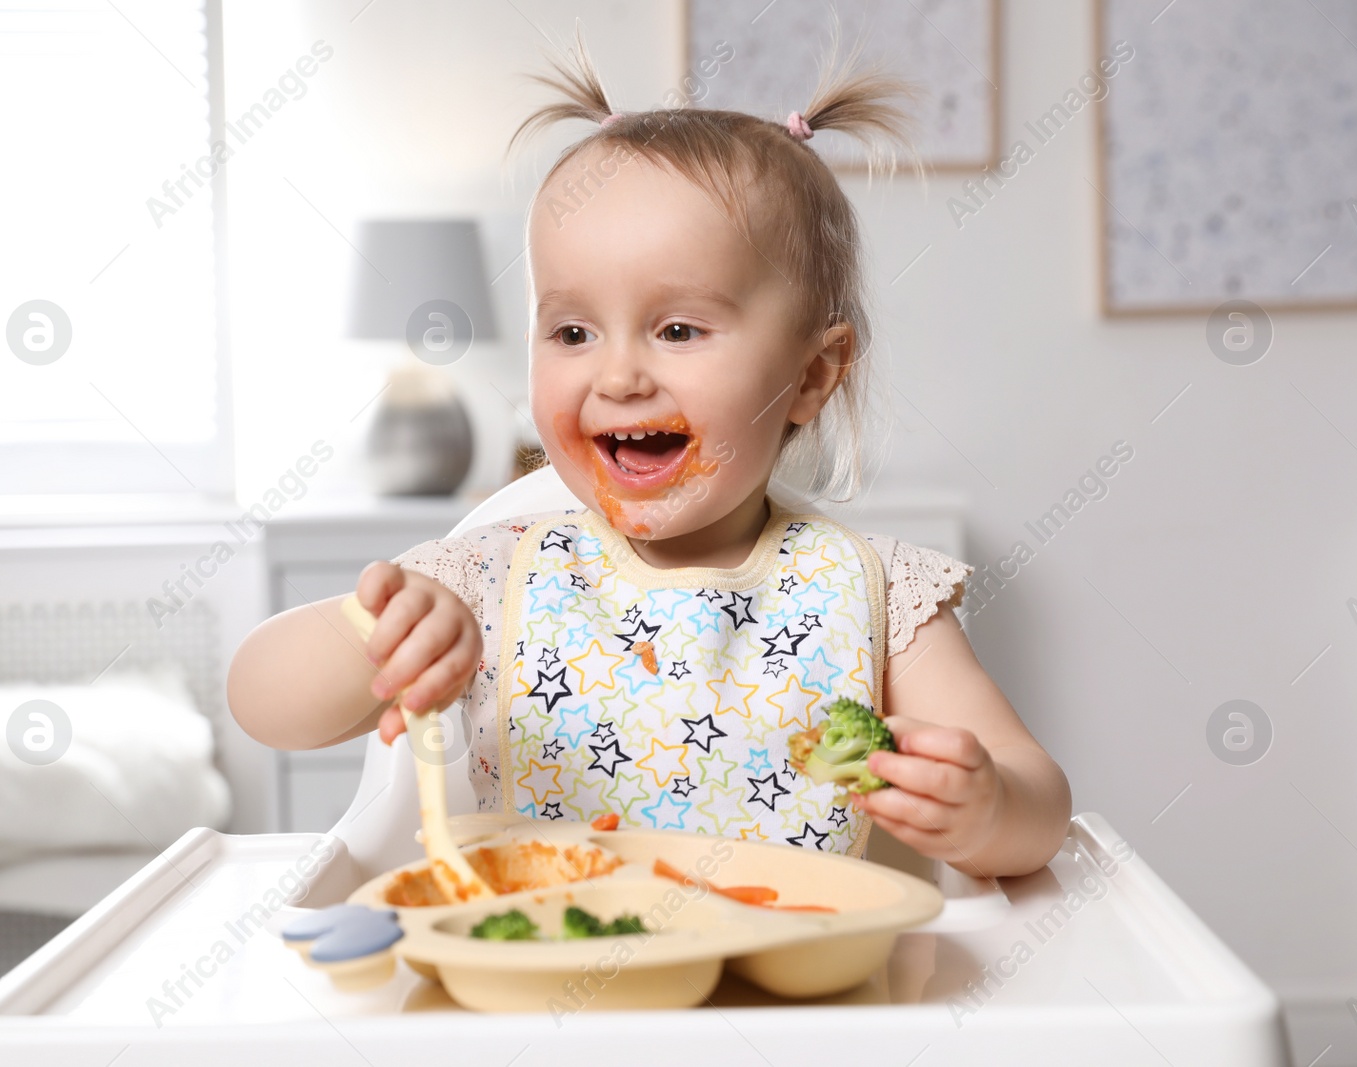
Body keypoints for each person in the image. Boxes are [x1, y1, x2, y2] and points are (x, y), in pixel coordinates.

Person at [228, 30, 1070, 879]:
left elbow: (1038, 802)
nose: (619, 373)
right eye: (572, 331)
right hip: (542, 991)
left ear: (813, 375)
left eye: (677, 329)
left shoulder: (877, 597)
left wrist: (991, 807)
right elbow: (261, 701)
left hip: (806, 993)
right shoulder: (484, 581)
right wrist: (374, 635)